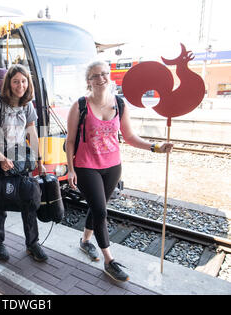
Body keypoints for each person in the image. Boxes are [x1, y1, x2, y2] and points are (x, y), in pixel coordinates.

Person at [65, 60, 174, 282]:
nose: (101, 78)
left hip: (113, 166)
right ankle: (109, 261)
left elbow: (130, 137)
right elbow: (70, 141)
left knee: (98, 207)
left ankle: (86, 241)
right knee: (101, 211)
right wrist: (71, 169)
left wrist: (156, 147)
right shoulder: (80, 106)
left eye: (104, 74)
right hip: (87, 166)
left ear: (110, 77)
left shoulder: (120, 104)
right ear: (89, 81)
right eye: (95, 75)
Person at [0, 64, 48, 262]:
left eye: (24, 81)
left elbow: (32, 133)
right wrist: (1, 158)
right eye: (16, 81)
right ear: (9, 84)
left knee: (28, 200)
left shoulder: (28, 105)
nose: (20, 85)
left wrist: (39, 159)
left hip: (19, 159)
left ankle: (32, 243)